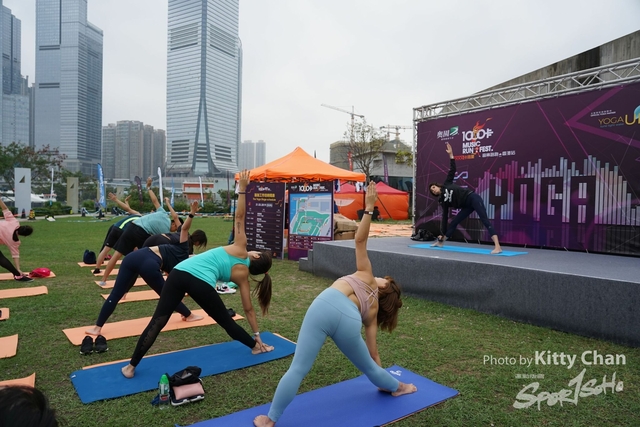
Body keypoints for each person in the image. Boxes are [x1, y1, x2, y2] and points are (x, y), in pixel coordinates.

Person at [253, 184, 416, 427]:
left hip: (323, 305)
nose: (383, 277)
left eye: (386, 280)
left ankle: (270, 420)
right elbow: (373, 356)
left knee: (298, 368)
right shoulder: (372, 313)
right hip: (348, 321)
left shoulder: (367, 275)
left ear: (384, 288)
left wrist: (369, 208)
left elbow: (359, 240)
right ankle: (397, 387)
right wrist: (382, 380)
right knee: (370, 368)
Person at [121, 170, 274, 379]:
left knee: (158, 320)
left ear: (255, 256)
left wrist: (243, 190)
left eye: (258, 252)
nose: (255, 250)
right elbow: (248, 310)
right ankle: (255, 347)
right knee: (226, 322)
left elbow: (239, 216)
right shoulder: (243, 279)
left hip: (178, 272)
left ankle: (131, 367)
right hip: (199, 282)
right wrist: (257, 336)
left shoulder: (240, 247)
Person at [85, 200, 204, 336]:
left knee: (115, 294)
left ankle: (97, 328)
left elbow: (184, 228)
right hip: (149, 263)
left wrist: (192, 214)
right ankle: (189, 315)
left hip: (131, 257)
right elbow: (176, 286)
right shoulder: (182, 259)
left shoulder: (181, 244)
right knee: (166, 295)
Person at [98, 178, 182, 285]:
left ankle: (103, 280)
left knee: (116, 255)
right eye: (176, 228)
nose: (174, 231)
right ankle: (162, 276)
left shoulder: (163, 213)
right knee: (147, 256)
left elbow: (154, 201)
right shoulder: (166, 231)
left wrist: (149, 188)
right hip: (142, 233)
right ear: (173, 224)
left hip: (132, 227)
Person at [429, 142, 502, 254]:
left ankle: (497, 247)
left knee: (484, 220)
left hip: (472, 198)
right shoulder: (443, 201)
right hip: (466, 206)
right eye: (432, 191)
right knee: (454, 222)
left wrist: (451, 155)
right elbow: (444, 217)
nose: (433, 190)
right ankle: (441, 242)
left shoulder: (447, 183)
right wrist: (442, 233)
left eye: (433, 187)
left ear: (438, 185)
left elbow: (452, 170)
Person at [92, 193, 141, 274]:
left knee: (106, 249)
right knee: (131, 250)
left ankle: (97, 268)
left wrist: (117, 200)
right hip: (123, 231)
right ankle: (136, 266)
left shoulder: (138, 214)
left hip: (115, 227)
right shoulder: (143, 221)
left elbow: (128, 209)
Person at [0, 198, 34, 282]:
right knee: (1, 259)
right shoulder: (14, 241)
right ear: (24, 235)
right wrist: (18, 269)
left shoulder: (14, 221)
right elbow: (15, 255)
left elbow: (5, 209)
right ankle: (17, 275)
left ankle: (17, 274)